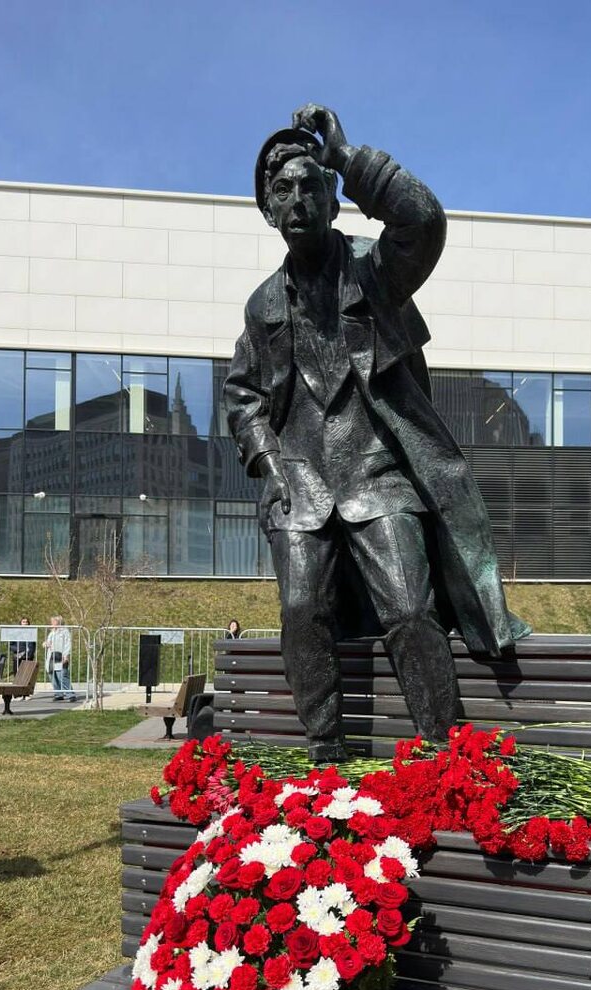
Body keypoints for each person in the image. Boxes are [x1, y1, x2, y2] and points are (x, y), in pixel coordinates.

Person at [224, 104, 529, 762]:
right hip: (300, 484)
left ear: (333, 201)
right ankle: (325, 755)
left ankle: (444, 757)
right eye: (284, 190)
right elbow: (243, 396)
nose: (299, 199)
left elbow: (424, 221)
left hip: (378, 474)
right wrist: (269, 464)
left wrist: (347, 157)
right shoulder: (263, 306)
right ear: (269, 210)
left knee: (411, 609)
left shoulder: (374, 273)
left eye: (312, 186)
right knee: (301, 610)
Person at [44, 615, 78, 702]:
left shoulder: (64, 631)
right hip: (51, 657)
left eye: (54, 621)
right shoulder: (52, 632)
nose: (52, 623)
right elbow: (48, 642)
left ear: (59, 622)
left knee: (62, 676)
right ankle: (58, 694)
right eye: (52, 621)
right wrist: (45, 643)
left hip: (61, 656)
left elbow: (68, 644)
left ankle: (70, 694)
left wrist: (66, 655)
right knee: (53, 676)